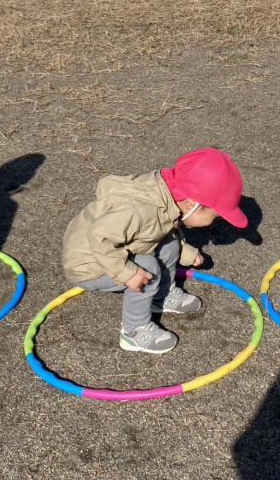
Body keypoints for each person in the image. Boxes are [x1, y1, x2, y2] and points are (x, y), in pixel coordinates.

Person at [61, 148, 247, 354]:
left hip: (111, 247)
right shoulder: (141, 211)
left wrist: (184, 251)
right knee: (148, 269)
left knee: (169, 243)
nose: (214, 222)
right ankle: (133, 330)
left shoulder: (165, 197)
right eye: (215, 216)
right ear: (191, 204)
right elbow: (100, 237)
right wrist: (127, 273)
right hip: (88, 263)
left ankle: (162, 295)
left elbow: (162, 227)